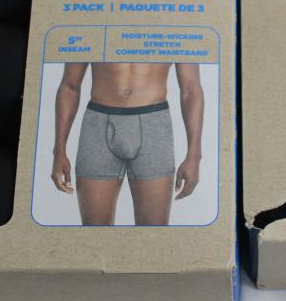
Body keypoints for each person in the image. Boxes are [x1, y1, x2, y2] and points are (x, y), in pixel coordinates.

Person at [50, 62, 203, 225]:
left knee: (153, 234)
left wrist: (194, 156)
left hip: (153, 125)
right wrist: (59, 151)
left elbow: (191, 89)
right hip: (98, 125)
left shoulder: (177, 41)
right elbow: (70, 86)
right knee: (94, 232)